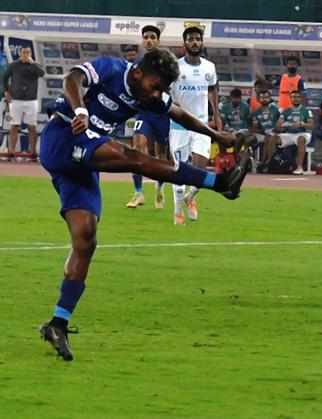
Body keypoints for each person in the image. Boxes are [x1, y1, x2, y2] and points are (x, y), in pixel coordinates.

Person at [38, 48, 249, 361]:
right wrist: (81, 110)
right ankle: (218, 182)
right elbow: (73, 78)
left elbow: (178, 114)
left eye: (163, 89)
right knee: (134, 158)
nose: (158, 93)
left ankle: (57, 323)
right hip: (63, 138)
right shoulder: (111, 68)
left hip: (85, 159)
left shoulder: (150, 94)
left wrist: (217, 135)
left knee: (86, 239)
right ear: (138, 72)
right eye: (156, 86)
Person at [169, 26, 223, 225]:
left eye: (197, 39)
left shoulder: (209, 67)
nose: (194, 42)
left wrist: (216, 113)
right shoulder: (174, 66)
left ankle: (191, 197)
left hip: (201, 125)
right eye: (190, 39)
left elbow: (212, 89)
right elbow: (166, 94)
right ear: (184, 44)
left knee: (199, 169)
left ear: (202, 43)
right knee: (179, 170)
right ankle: (177, 211)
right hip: (179, 125)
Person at [126, 25, 171, 209]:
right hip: (144, 113)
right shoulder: (137, 64)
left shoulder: (167, 63)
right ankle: (138, 193)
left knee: (161, 155)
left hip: (162, 114)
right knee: (137, 148)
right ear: (142, 41)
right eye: (146, 37)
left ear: (158, 41)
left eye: (153, 37)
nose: (149, 40)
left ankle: (160, 188)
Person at [2, 45, 45, 160]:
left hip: (31, 100)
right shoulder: (14, 65)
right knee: (14, 125)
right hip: (15, 100)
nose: (25, 54)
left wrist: (32, 62)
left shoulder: (35, 65)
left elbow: (42, 73)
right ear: (20, 53)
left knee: (32, 126)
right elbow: (4, 78)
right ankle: (11, 152)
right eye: (23, 52)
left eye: (27, 52)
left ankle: (33, 153)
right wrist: (6, 91)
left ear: (30, 53)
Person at [272, 90, 314, 175]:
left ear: (301, 98)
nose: (296, 99)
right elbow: (278, 125)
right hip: (290, 134)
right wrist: (281, 125)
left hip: (303, 133)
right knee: (273, 138)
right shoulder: (286, 111)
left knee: (301, 139)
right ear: (290, 98)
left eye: (298, 97)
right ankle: (271, 163)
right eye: (294, 97)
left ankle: (300, 167)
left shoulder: (306, 111)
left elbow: (311, 126)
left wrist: (302, 124)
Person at [251, 89, 280, 170]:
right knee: (249, 138)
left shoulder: (276, 109)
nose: (264, 99)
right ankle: (248, 162)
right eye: (262, 97)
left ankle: (268, 162)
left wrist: (276, 130)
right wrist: (262, 132)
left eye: (266, 97)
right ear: (259, 99)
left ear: (270, 98)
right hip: (263, 134)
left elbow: (281, 124)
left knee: (270, 138)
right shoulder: (256, 113)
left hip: (276, 133)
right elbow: (255, 128)